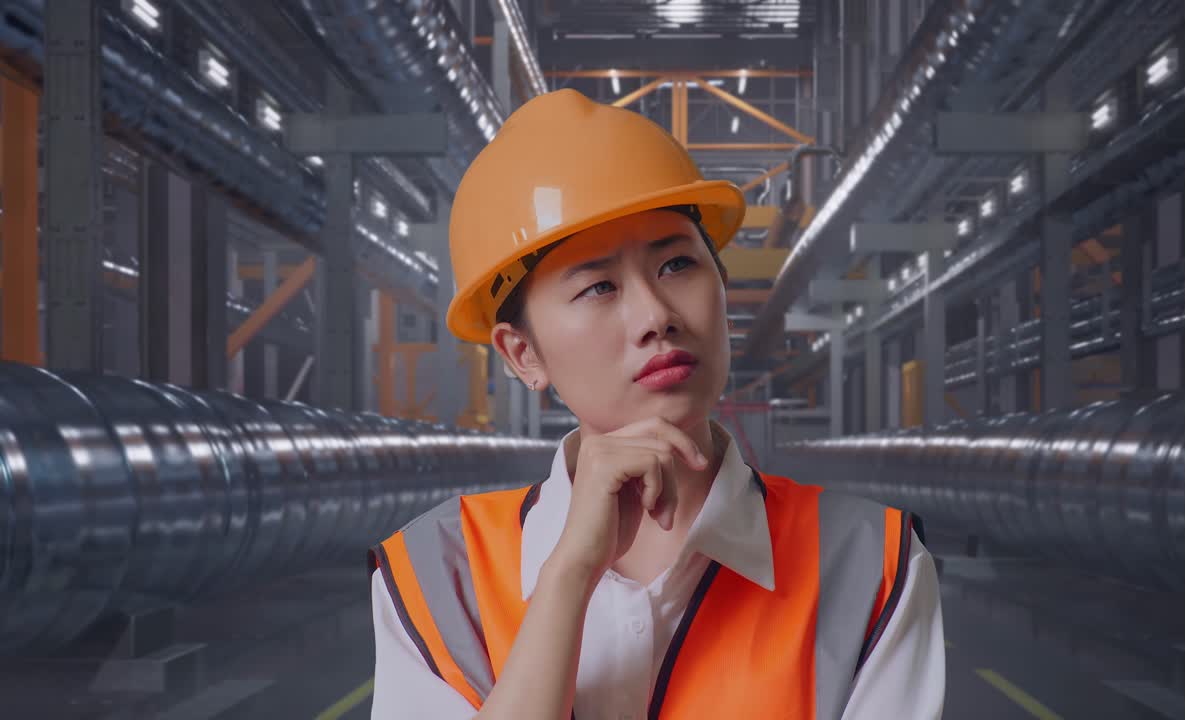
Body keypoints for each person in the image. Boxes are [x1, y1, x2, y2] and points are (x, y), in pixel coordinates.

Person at [368, 88, 945, 720]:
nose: (655, 316)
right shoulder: (437, 576)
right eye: (598, 287)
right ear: (522, 354)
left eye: (676, 264)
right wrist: (567, 577)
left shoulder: (870, 562)